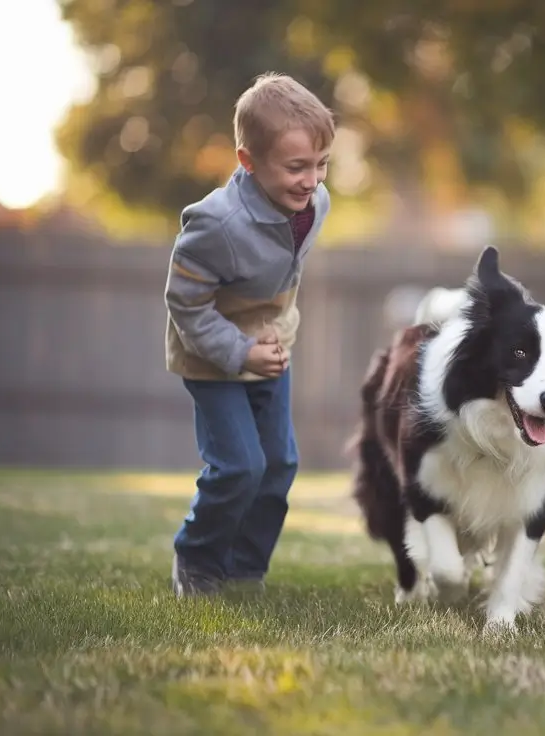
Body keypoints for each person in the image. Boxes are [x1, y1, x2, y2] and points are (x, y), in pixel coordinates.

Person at [163, 72, 334, 598]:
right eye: (296, 167)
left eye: (322, 164)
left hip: (272, 350)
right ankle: (197, 560)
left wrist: (274, 339)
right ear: (248, 161)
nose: (312, 180)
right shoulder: (217, 226)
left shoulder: (317, 204)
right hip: (212, 357)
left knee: (279, 464)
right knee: (239, 465)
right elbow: (184, 303)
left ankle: (243, 569)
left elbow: (283, 278)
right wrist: (240, 352)